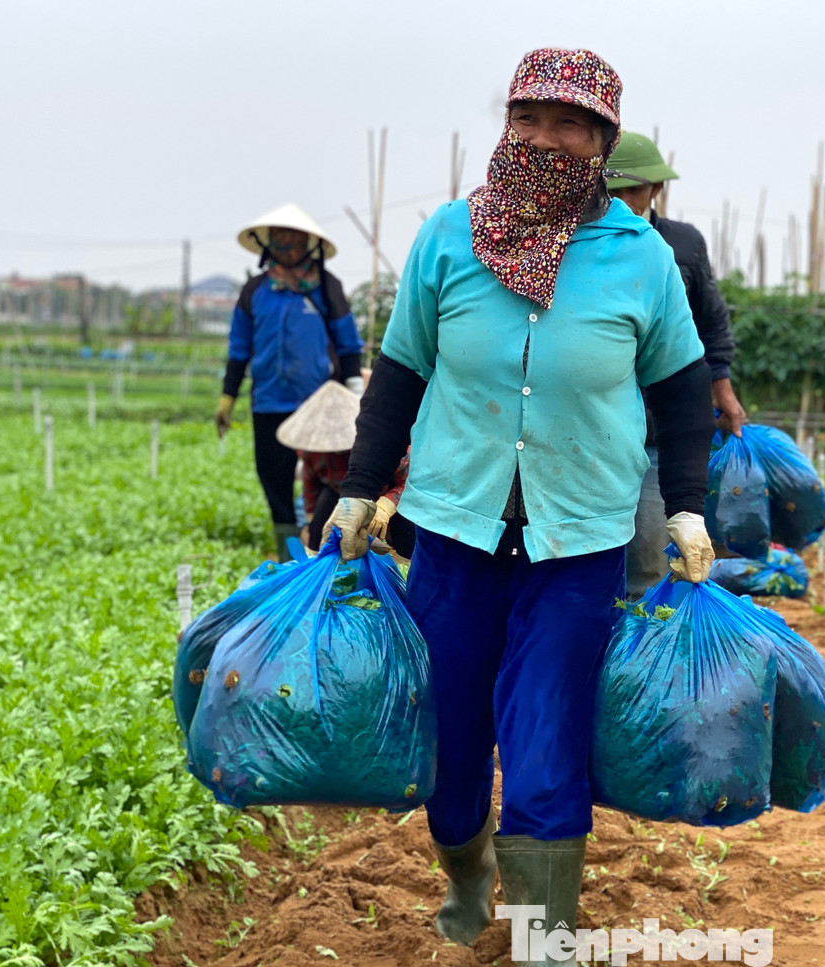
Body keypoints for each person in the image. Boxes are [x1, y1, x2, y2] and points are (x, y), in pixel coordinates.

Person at [326, 48, 716, 966]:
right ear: (506, 125)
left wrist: (690, 507)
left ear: (602, 141)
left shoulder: (640, 257)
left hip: (577, 541)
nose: (547, 137)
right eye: (530, 118)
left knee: (545, 742)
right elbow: (401, 373)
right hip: (455, 536)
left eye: (572, 123)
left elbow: (684, 389)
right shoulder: (447, 239)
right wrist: (357, 489)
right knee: (453, 743)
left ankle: (545, 936)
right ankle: (466, 882)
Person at [605, 132, 749, 597]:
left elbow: (711, 321)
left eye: (635, 190)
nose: (625, 201)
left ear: (655, 191)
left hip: (655, 428)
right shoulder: (581, 245)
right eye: (613, 191)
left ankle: (634, 656)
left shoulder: (681, 246)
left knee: (648, 552)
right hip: (594, 426)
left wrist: (722, 387)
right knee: (589, 561)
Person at [215, 204, 365, 561]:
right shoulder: (255, 292)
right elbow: (239, 349)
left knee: (327, 480)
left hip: (318, 406)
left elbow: (348, 346)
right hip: (268, 402)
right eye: (280, 240)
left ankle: (327, 549)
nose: (288, 247)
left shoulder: (327, 289)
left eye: (294, 240)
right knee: (273, 478)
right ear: (268, 246)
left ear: (309, 245)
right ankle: (288, 556)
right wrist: (227, 398)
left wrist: (357, 397)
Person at [274, 377, 414, 556]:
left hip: (384, 496)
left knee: (406, 534)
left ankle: (405, 562)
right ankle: (321, 563)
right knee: (319, 525)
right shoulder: (313, 452)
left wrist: (386, 506)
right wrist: (309, 524)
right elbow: (311, 488)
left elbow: (410, 480)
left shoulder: (383, 443)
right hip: (342, 494)